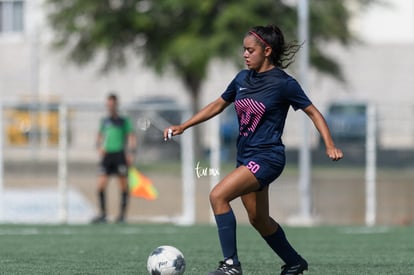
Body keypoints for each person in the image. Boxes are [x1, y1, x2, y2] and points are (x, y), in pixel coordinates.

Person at [163, 25, 343, 275]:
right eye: (244, 50)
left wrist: (330, 144)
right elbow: (218, 104)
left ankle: (231, 265)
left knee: (218, 196)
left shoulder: (284, 84)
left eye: (250, 50)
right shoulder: (241, 79)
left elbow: (313, 112)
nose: (245, 55)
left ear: (267, 50)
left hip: (268, 158)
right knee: (259, 220)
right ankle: (294, 262)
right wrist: (184, 125)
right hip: (246, 158)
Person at [92, 93, 136, 224]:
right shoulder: (104, 121)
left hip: (119, 155)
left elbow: (131, 136)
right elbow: (99, 135)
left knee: (123, 186)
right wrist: (99, 147)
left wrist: (131, 153)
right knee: (100, 186)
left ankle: (122, 215)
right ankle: (103, 214)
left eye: (112, 104)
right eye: (108, 104)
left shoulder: (123, 121)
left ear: (116, 105)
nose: (109, 107)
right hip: (107, 156)